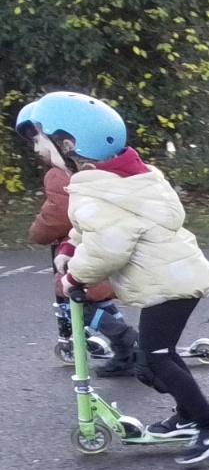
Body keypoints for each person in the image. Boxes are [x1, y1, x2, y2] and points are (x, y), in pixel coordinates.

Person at [27, 92, 209, 464]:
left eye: (41, 137)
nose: (36, 146)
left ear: (68, 143)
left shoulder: (99, 191)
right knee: (161, 353)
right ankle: (188, 415)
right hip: (171, 278)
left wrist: (74, 277)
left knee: (155, 357)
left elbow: (108, 248)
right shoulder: (116, 182)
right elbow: (89, 228)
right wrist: (70, 247)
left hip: (170, 283)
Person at [15, 98, 139, 375]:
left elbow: (58, 215)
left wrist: (37, 232)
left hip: (77, 249)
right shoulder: (98, 169)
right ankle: (125, 350)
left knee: (77, 303)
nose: (36, 149)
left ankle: (125, 339)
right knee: (99, 299)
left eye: (38, 142)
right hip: (103, 243)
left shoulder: (58, 175)